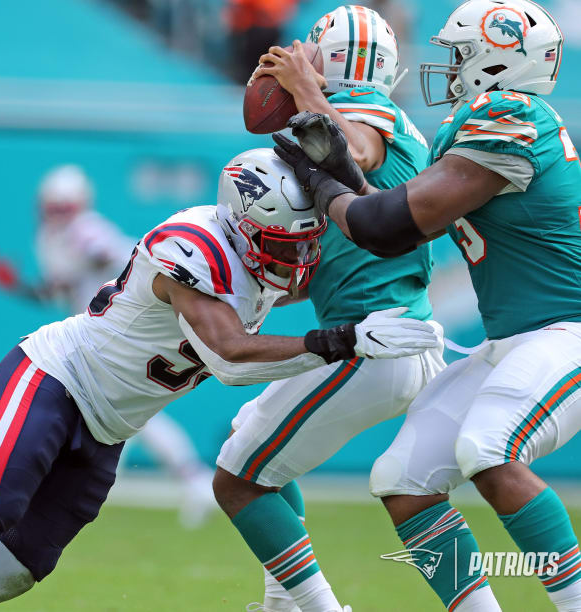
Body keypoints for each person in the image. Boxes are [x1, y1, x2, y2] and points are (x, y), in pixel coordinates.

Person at [0, 148, 438, 608]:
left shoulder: (264, 249)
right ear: (241, 226)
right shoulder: (193, 245)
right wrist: (340, 340)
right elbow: (230, 358)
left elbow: (367, 248)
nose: (296, 257)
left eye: (305, 241)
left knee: (6, 574)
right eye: (281, 244)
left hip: (110, 429)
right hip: (56, 381)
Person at [275, 0, 581, 609]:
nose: (448, 65)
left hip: (565, 332)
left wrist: (322, 178)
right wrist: (337, 177)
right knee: (404, 481)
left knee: (488, 449)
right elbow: (388, 218)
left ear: (499, 60)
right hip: (512, 341)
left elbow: (384, 227)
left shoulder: (512, 115)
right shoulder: (476, 127)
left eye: (460, 53)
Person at [212, 7, 445, 612]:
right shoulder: (391, 119)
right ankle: (282, 602)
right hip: (386, 332)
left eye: (311, 54)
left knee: (236, 480)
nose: (299, 58)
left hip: (372, 341)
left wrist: (303, 87)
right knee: (252, 445)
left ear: (332, 59)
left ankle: (314, 608)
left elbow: (356, 149)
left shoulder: (368, 116)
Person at [0, 164, 217, 530]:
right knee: (126, 419)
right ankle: (186, 480)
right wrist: (20, 287)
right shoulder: (50, 238)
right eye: (55, 206)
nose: (60, 213)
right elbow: (56, 290)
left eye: (65, 205)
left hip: (115, 334)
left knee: (131, 418)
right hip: (86, 337)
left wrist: (84, 265)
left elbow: (124, 260)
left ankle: (192, 479)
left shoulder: (87, 230)